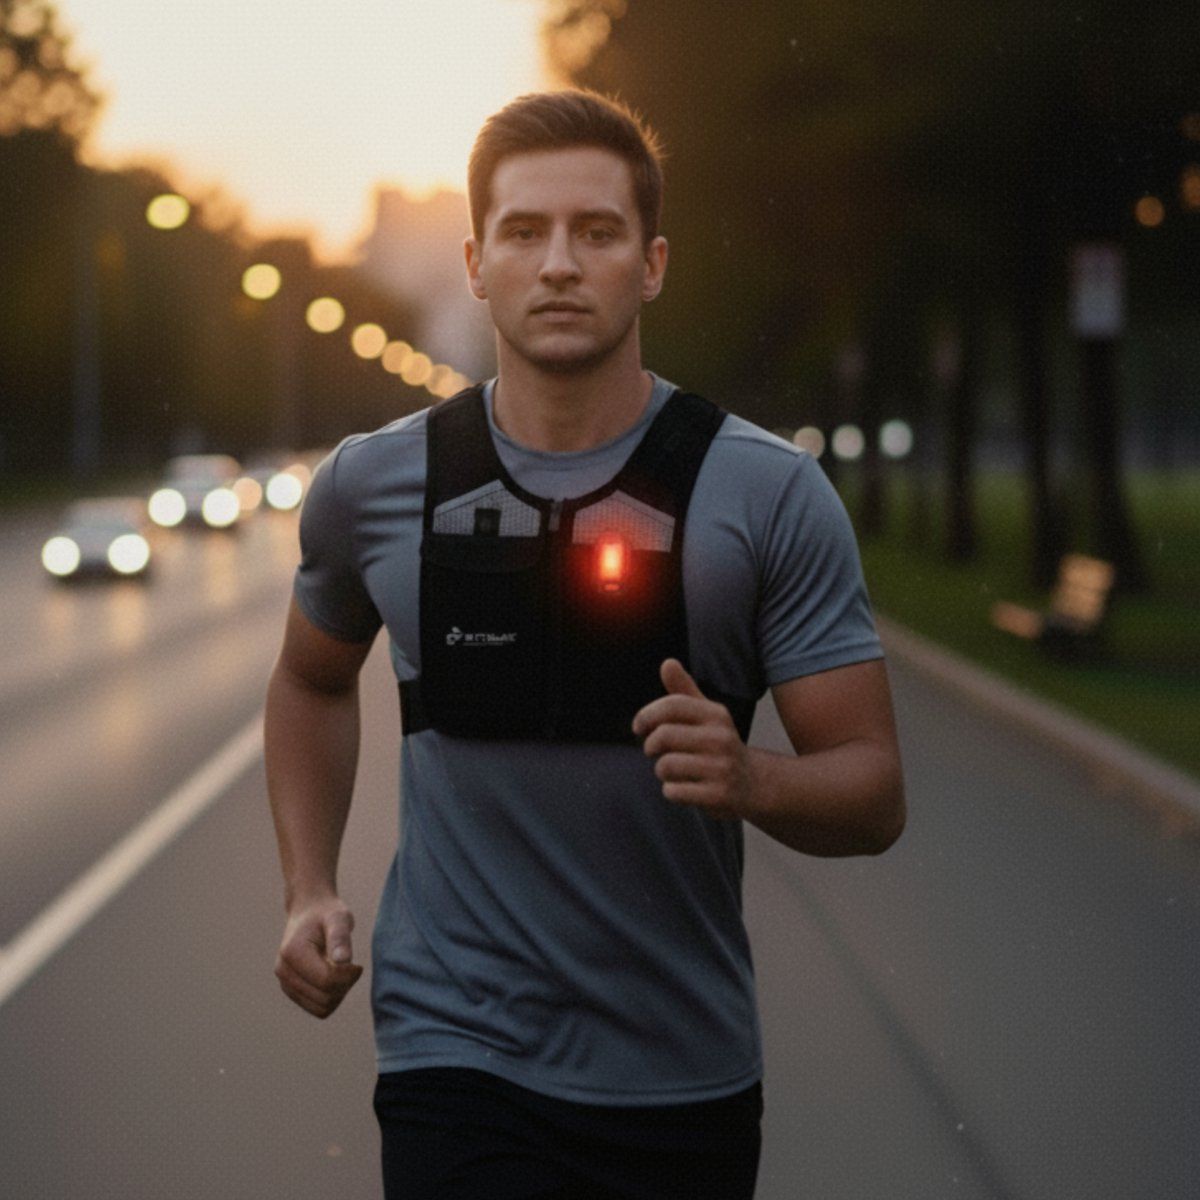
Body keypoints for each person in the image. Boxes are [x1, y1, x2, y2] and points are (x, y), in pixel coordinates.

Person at [265, 89, 905, 1200]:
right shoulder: (373, 484)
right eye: (524, 231)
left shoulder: (766, 493)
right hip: (452, 1056)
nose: (559, 263)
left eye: (596, 232)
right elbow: (312, 679)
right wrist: (307, 886)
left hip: (680, 1075)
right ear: (476, 264)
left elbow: (874, 792)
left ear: (652, 264)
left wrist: (750, 776)